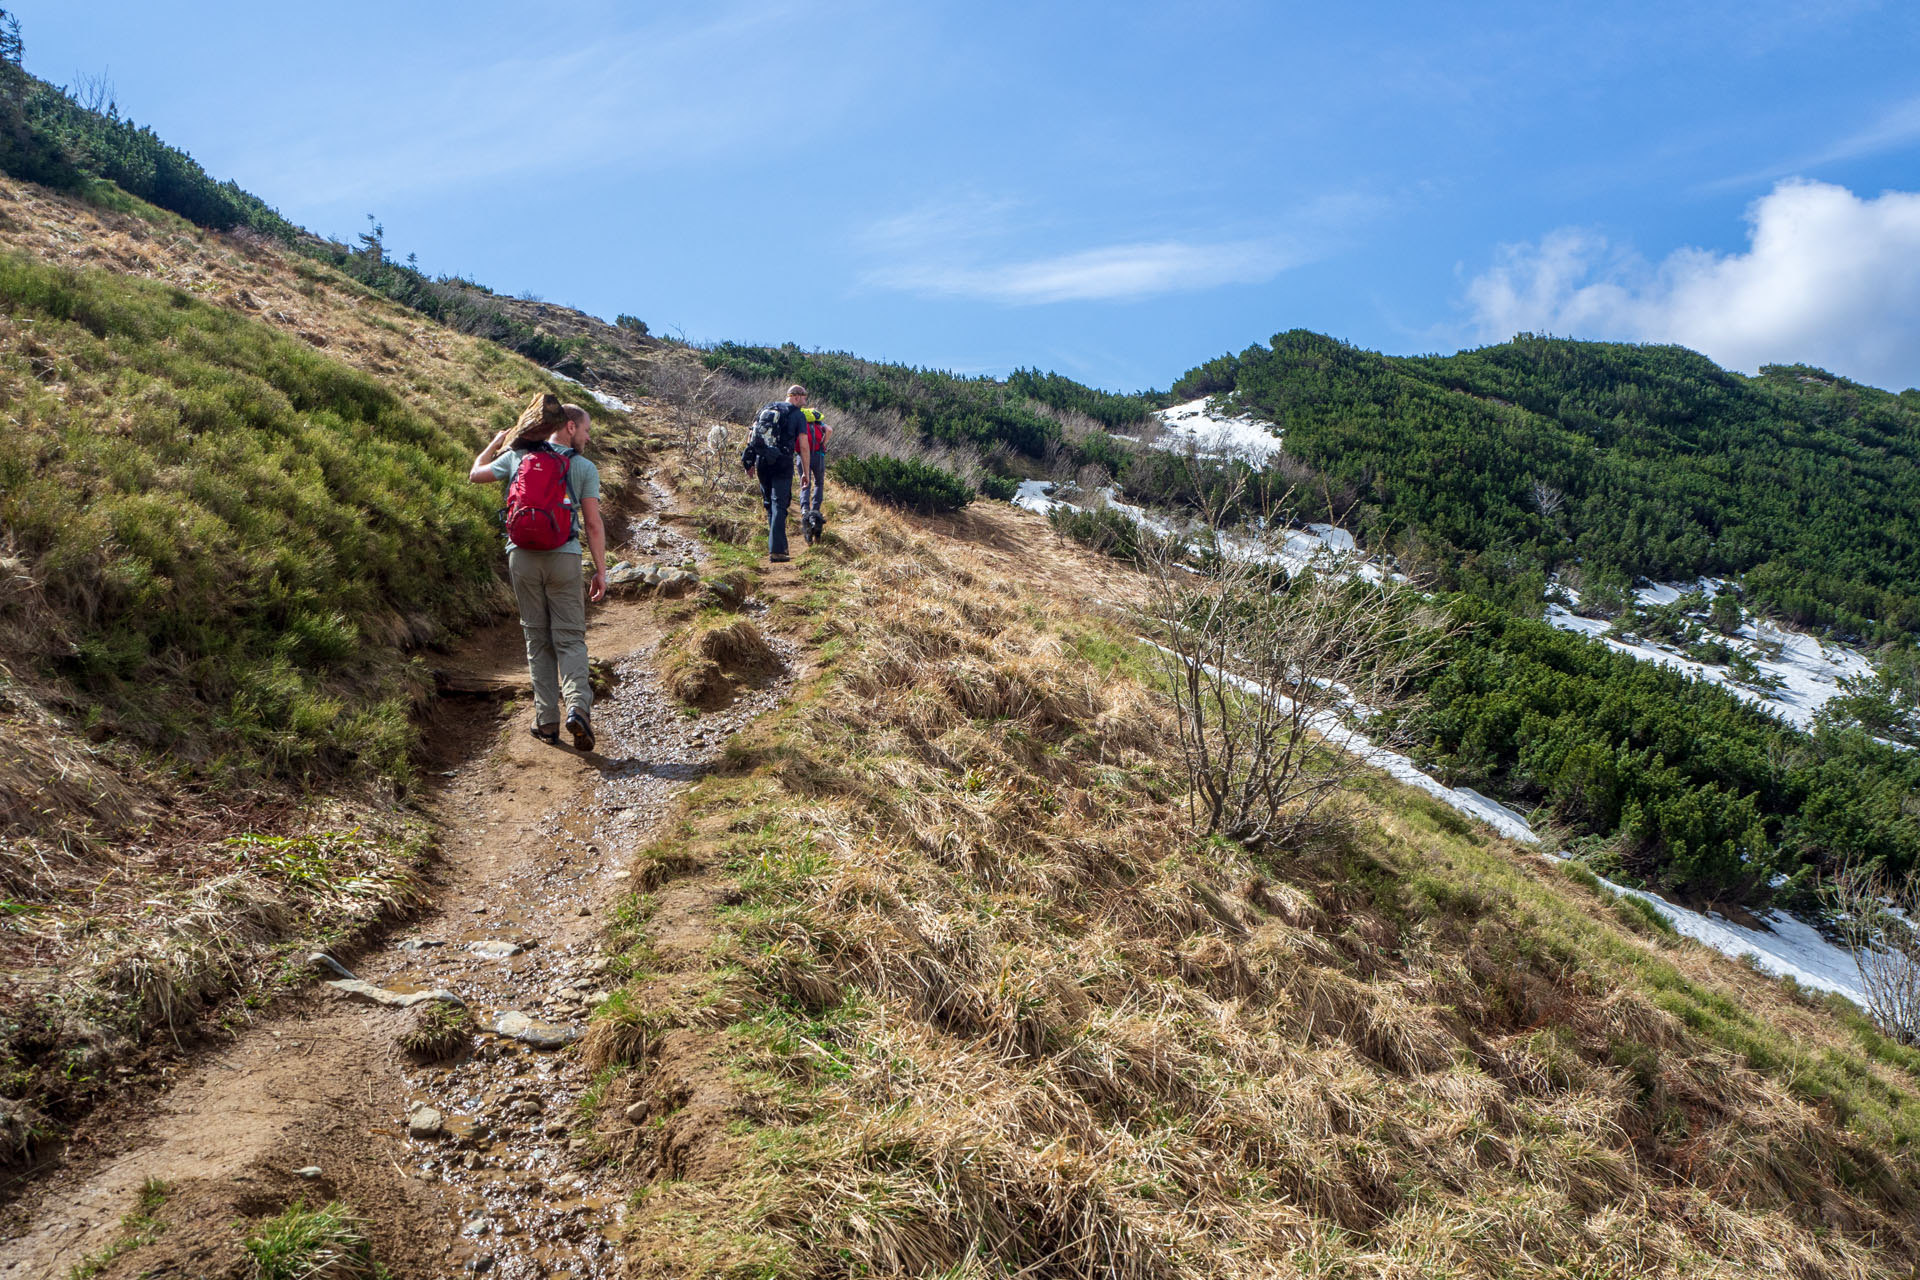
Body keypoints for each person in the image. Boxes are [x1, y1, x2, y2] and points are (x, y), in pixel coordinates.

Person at [469, 394, 608, 751]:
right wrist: (600, 572)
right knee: (570, 638)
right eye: (587, 430)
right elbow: (592, 525)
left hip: (522, 558)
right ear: (570, 426)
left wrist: (495, 443)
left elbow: (475, 474)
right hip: (564, 557)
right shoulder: (583, 468)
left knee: (536, 639)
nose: (588, 438)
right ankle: (578, 708)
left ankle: (546, 723)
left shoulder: (517, 456)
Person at [745, 383, 811, 562]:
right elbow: (804, 447)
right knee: (780, 504)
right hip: (782, 462)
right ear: (796, 396)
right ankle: (777, 550)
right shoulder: (798, 415)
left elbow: (751, 435)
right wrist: (806, 472)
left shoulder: (767, 407)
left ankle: (778, 545)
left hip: (762, 460)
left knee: (769, 503)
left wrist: (749, 461)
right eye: (804, 398)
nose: (805, 402)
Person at [796, 406, 831, 541]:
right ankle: (815, 508)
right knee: (819, 482)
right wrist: (823, 443)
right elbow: (829, 430)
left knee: (805, 482)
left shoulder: (801, 423)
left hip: (802, 456)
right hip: (818, 454)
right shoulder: (819, 423)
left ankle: (804, 508)